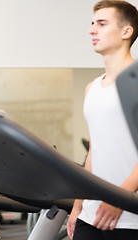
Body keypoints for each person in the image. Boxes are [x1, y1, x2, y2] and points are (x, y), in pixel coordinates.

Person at [67, 1, 138, 239]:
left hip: (130, 217)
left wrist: (121, 199)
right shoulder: (92, 88)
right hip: (91, 214)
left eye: (102, 23)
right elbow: (93, 153)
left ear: (126, 31)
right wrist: (78, 205)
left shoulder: (136, 83)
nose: (92, 30)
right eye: (92, 24)